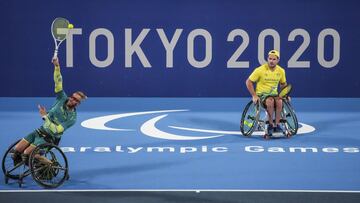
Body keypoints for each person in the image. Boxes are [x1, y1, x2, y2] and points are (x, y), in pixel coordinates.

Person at [12, 56, 87, 164]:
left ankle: (51, 165)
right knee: (17, 150)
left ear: (78, 104)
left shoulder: (72, 118)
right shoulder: (62, 98)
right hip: (41, 131)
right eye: (72, 97)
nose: (72, 99)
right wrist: (57, 66)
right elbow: (58, 81)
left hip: (50, 138)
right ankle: (29, 164)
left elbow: (56, 130)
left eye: (76, 100)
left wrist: (44, 116)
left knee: (27, 153)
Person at [245, 50, 287, 137]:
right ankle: (270, 125)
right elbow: (248, 82)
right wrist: (254, 95)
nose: (271, 61)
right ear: (267, 59)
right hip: (262, 95)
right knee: (270, 101)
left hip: (275, 95)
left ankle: (277, 125)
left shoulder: (281, 71)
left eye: (274, 59)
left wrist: (285, 94)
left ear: (278, 60)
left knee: (279, 101)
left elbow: (283, 84)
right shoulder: (259, 70)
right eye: (270, 58)